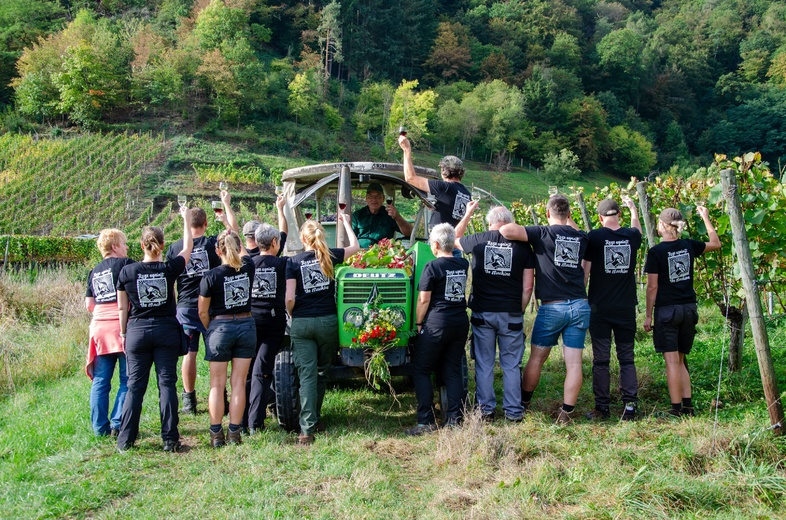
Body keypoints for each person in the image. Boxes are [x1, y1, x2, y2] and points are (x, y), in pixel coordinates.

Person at [499, 194, 589, 424]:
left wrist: (540, 226)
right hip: (579, 304)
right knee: (574, 363)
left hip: (552, 308)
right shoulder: (581, 237)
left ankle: (524, 403)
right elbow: (576, 231)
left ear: (548, 213)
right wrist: (567, 220)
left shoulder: (542, 233)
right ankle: (566, 413)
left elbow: (506, 231)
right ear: (569, 214)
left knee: (537, 359)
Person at [116, 207, 193, 452]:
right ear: (162, 244)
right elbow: (187, 249)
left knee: (135, 387)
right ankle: (170, 439)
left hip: (137, 332)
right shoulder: (169, 269)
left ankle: (125, 440)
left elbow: (122, 309)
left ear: (141, 246)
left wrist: (124, 333)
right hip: (166, 331)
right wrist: (186, 220)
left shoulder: (127, 271)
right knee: (167, 384)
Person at [454, 202, 535, 423]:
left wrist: (468, 213)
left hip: (483, 313)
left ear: (489, 222)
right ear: (509, 223)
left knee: (484, 362)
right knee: (510, 364)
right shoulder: (523, 248)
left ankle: (486, 411)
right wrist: (518, 308)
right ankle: (513, 412)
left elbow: (454, 238)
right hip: (510, 313)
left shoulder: (478, 240)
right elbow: (528, 286)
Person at [286, 213, 359, 445]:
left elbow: (289, 298)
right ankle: (313, 419)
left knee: (306, 374)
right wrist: (346, 222)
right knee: (321, 372)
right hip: (327, 322)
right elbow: (355, 247)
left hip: (302, 322)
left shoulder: (292, 262)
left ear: (302, 238)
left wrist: (292, 314)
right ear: (321, 236)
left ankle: (307, 429)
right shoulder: (330, 255)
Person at [644, 206, 720, 416]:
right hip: (689, 309)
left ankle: (675, 408)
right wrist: (705, 217)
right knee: (680, 359)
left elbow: (652, 287)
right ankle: (688, 405)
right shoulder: (688, 245)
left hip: (667, 311)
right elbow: (715, 243)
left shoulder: (656, 252)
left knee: (671, 362)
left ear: (661, 225)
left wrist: (648, 314)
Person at [166, 190, 237, 415]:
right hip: (211, 307)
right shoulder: (212, 245)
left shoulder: (176, 248)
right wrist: (226, 207)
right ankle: (221, 397)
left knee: (190, 353)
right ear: (206, 223)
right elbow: (232, 239)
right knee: (217, 353)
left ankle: (189, 401)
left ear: (187, 223)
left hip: (185, 307)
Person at [406, 223, 470, 436]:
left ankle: (425, 421)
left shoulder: (432, 267)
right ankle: (454, 419)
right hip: (459, 322)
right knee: (451, 370)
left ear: (435, 244)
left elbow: (424, 300)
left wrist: (418, 324)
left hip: (437, 323)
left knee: (421, 369)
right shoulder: (463, 264)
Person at [582, 198, 642, 421]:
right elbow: (638, 229)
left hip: (599, 308)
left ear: (600, 218)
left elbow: (585, 272)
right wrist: (634, 209)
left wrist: (581, 296)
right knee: (627, 358)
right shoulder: (631, 236)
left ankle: (602, 407)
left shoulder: (594, 237)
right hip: (626, 306)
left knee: (601, 359)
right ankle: (629, 407)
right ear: (619, 215)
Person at [198, 230, 255, 447]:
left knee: (216, 384)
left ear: (217, 251)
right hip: (246, 325)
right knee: (239, 383)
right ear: (238, 247)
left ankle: (215, 434)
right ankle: (234, 432)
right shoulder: (248, 267)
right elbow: (246, 253)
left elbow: (202, 312)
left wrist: (211, 328)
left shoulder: (210, 276)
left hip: (219, 326)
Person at [85, 228, 135, 437]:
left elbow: (89, 304)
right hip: (121, 327)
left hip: (99, 329)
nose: (126, 247)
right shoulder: (127, 264)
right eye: (123, 244)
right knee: (126, 379)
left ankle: (99, 429)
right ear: (115, 246)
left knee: (101, 381)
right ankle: (117, 423)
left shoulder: (94, 271)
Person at [247, 217, 289, 434]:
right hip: (272, 324)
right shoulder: (282, 264)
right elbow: (283, 234)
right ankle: (255, 423)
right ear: (274, 242)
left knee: (247, 371)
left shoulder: (248, 265)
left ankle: (242, 419)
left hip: (250, 322)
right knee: (261, 371)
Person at [398, 135, 470, 230]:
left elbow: (410, 178)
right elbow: (450, 211)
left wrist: (406, 150)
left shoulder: (445, 187)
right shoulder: (467, 193)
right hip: (454, 239)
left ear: (444, 171)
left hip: (439, 239)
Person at [351, 182, 413, 248]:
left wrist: (398, 217)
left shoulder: (390, 215)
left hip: (384, 254)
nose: (374, 199)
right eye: (370, 197)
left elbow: (410, 233)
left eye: (378, 196)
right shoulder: (357, 215)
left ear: (383, 198)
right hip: (360, 253)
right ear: (366, 198)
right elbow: (350, 237)